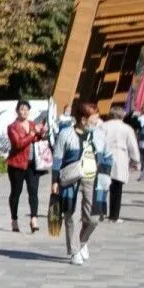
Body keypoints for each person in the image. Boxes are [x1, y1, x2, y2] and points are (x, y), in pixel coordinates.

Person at [54, 101, 102, 263]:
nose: (96, 121)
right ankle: (74, 251)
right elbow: (57, 159)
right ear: (83, 119)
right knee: (71, 216)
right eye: (94, 118)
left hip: (91, 180)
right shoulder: (66, 134)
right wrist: (55, 181)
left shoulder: (96, 134)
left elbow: (105, 155)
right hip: (71, 180)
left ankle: (82, 242)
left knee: (93, 218)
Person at [4, 99, 48, 234]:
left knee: (33, 192)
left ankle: (34, 219)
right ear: (17, 111)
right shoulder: (12, 127)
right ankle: (14, 219)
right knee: (16, 193)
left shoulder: (32, 124)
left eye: (26, 109)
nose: (24, 112)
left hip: (32, 164)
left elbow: (36, 140)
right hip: (17, 164)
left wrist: (42, 133)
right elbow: (18, 144)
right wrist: (32, 134)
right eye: (21, 109)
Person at [99, 101, 142, 223]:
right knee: (117, 189)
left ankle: (101, 212)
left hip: (104, 156)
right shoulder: (127, 128)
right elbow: (132, 145)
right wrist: (136, 160)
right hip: (120, 156)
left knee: (102, 187)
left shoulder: (103, 126)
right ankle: (114, 216)